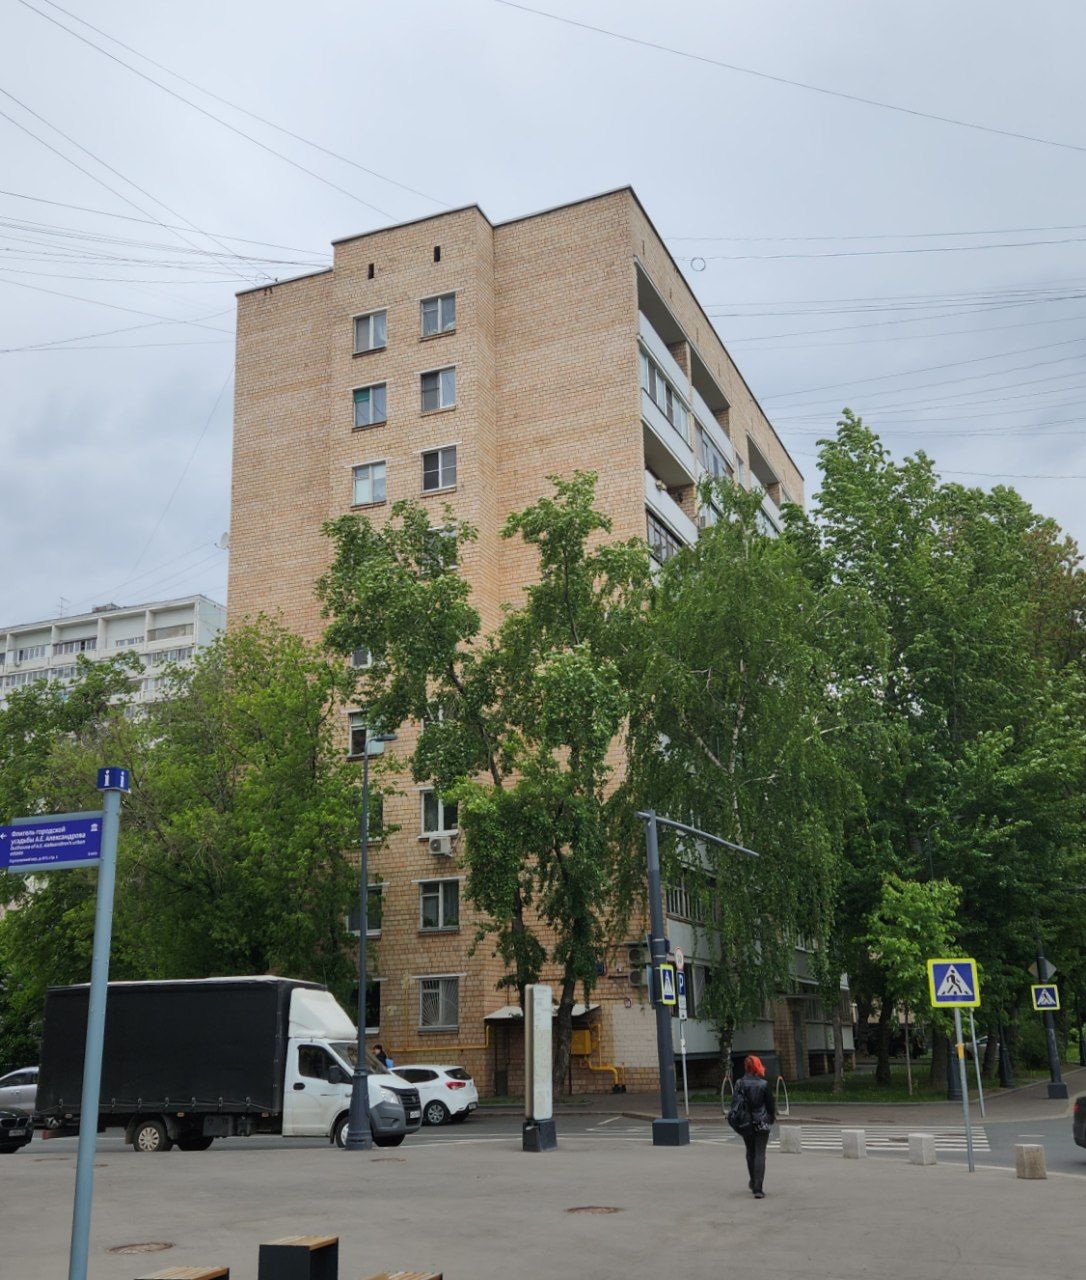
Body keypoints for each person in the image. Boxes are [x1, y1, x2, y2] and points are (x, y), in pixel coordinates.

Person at [734, 1054, 776, 1198]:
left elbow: (735, 1104)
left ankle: (753, 1181)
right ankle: (758, 1188)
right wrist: (770, 1118)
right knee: (760, 1153)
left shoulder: (740, 1083)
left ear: (746, 1067)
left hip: (745, 1122)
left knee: (750, 1152)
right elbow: (770, 1105)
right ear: (757, 1066)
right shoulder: (763, 1084)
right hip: (762, 1121)